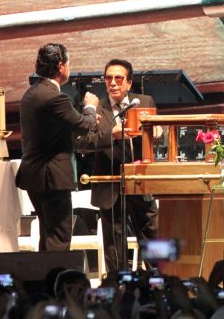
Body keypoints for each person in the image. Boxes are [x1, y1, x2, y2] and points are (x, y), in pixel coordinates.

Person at [76, 58, 157, 274]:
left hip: (141, 181)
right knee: (114, 242)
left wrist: (160, 133)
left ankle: (160, 281)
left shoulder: (145, 101)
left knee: (152, 234)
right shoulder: (95, 108)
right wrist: (109, 135)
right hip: (110, 183)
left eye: (118, 78)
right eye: (108, 78)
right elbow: (82, 142)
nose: (113, 83)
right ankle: (118, 285)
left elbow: (159, 136)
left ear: (129, 83)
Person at [15, 43, 98, 251]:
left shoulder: (31, 93)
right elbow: (83, 125)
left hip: (35, 176)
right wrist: (90, 106)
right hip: (51, 178)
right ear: (61, 66)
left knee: (48, 235)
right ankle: (58, 281)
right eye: (68, 64)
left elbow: (52, 129)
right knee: (59, 238)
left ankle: (47, 281)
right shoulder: (55, 97)